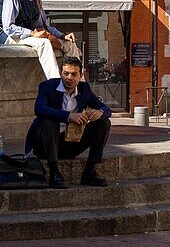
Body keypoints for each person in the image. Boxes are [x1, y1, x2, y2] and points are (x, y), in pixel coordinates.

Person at [25, 56, 112, 188]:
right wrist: (68, 116)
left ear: (80, 75)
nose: (69, 78)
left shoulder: (84, 89)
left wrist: (100, 112)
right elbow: (39, 109)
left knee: (104, 123)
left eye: (73, 74)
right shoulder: (47, 86)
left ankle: (90, 173)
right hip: (45, 144)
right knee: (50, 121)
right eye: (66, 74)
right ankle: (54, 173)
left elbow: (106, 109)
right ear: (61, 73)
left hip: (70, 143)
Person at [0, 0, 81, 80]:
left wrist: (62, 35)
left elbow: (44, 26)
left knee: (70, 45)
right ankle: (55, 85)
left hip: (28, 36)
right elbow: (8, 27)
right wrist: (32, 33)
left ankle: (79, 86)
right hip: (8, 36)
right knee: (44, 43)